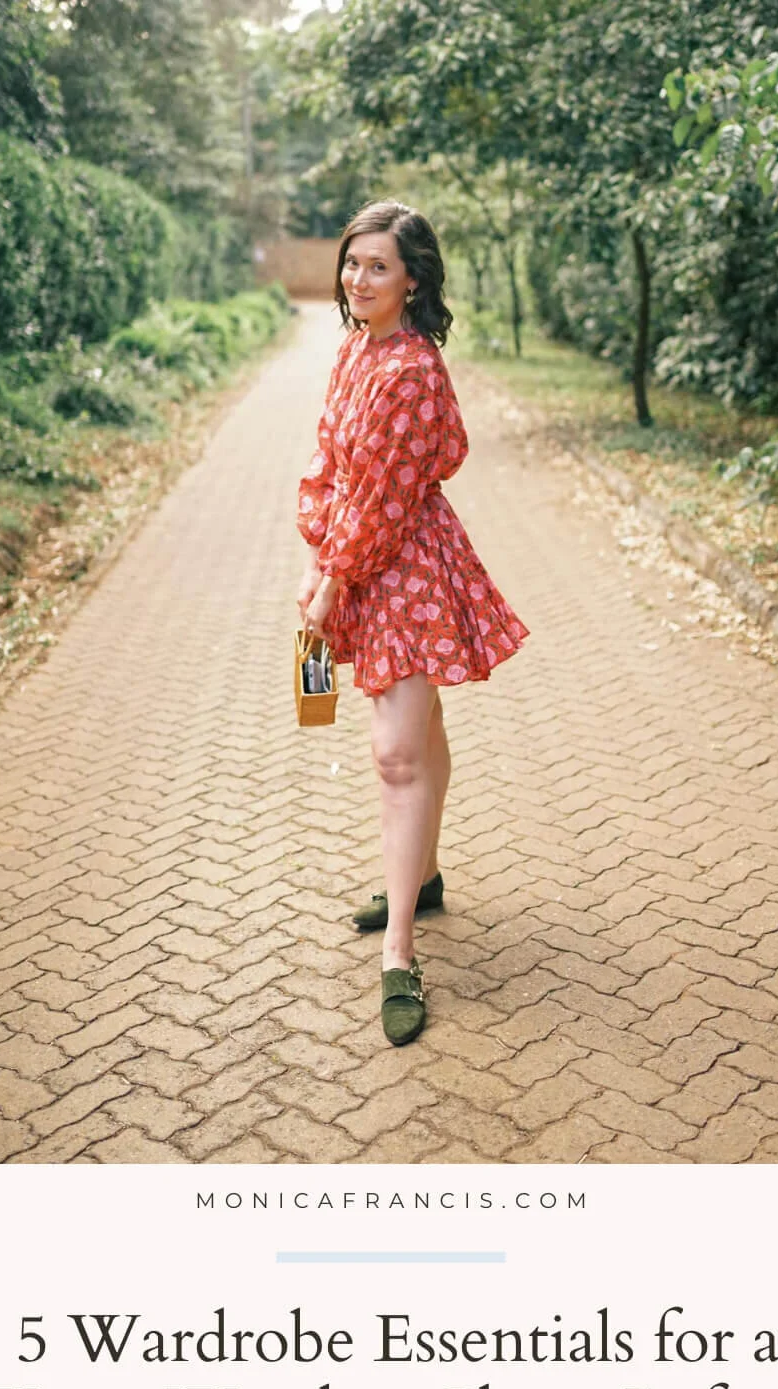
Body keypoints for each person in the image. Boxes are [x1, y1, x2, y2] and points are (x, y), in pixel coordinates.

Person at [296, 199, 528, 1047]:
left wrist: (330, 582)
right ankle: (420, 880)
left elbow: (389, 499)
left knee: (396, 753)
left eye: (379, 266)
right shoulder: (355, 349)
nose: (359, 278)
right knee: (419, 728)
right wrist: (317, 551)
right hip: (358, 557)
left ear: (413, 280)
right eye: (353, 262)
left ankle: (400, 953)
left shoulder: (413, 370)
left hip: (405, 567)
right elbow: (327, 462)